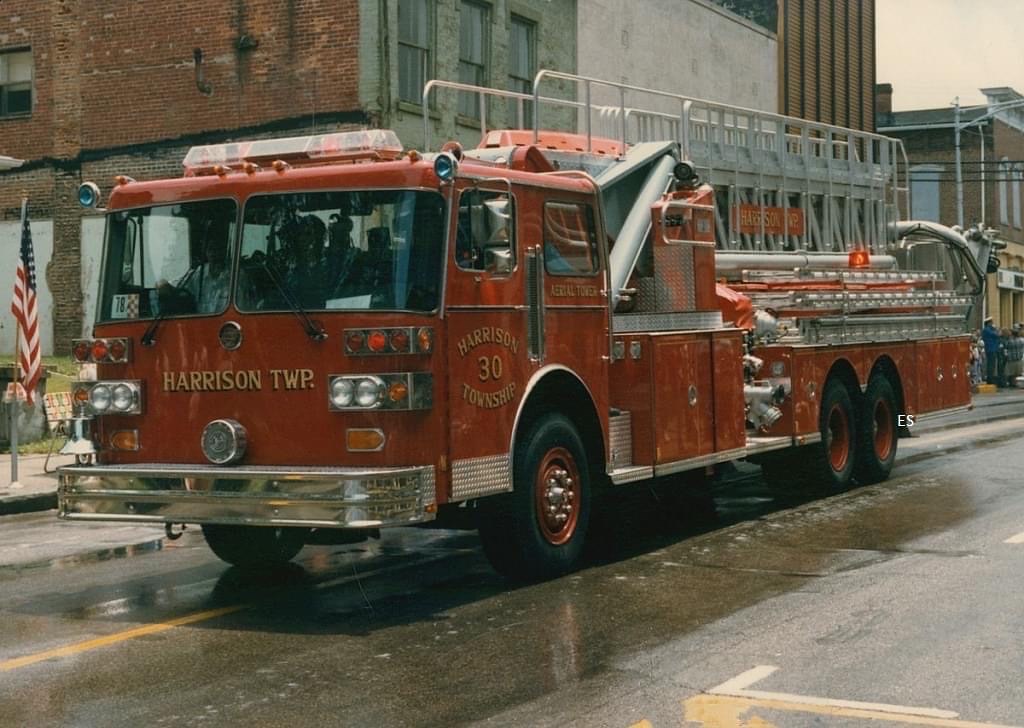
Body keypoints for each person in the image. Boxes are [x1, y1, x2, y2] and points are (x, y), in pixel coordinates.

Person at [981, 317, 1001, 385]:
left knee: (992, 365)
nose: (992, 323)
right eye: (991, 322)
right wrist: (996, 329)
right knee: (991, 365)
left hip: (993, 349)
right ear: (988, 323)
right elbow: (996, 335)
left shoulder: (989, 329)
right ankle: (990, 379)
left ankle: (990, 378)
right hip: (990, 349)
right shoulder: (987, 330)